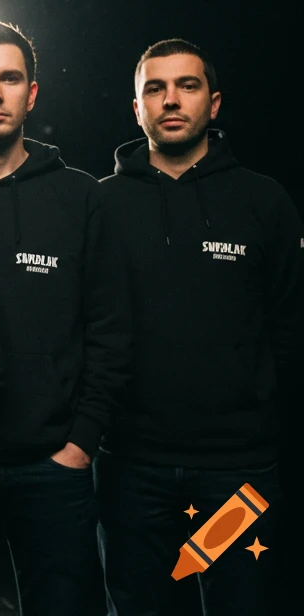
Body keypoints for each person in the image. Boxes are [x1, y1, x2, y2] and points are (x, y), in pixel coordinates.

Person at [0, 19, 131, 615]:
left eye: (9, 78)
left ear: (31, 93)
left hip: (53, 465)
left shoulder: (80, 196)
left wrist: (82, 442)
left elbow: (110, 330)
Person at [97, 38, 300, 615]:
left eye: (187, 86)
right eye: (154, 89)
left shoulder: (264, 202)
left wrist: (254, 408)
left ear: (213, 103)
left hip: (236, 468)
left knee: (239, 607)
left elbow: (288, 327)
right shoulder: (101, 205)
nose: (171, 100)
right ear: (137, 109)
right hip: (132, 467)